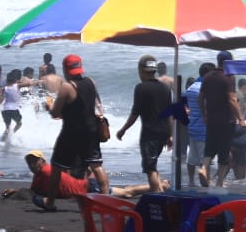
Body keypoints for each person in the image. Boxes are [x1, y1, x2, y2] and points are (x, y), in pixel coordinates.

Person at [43, 54, 110, 211]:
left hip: (71, 134)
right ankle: (106, 200)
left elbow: (55, 114)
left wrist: (49, 107)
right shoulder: (91, 82)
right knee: (96, 165)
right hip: (91, 131)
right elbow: (92, 106)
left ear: (66, 70)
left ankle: (50, 202)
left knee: (57, 167)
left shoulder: (67, 87)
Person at [1, 151, 159, 205]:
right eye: (29, 162)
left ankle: (159, 186)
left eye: (35, 161)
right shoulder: (38, 175)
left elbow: (40, 193)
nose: (32, 164)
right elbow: (34, 190)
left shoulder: (47, 172)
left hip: (88, 188)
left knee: (127, 194)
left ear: (43, 161)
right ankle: (157, 186)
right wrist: (16, 190)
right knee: (126, 192)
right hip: (85, 187)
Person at [117, 55, 173, 193]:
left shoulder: (141, 88)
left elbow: (135, 113)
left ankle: (158, 197)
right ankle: (160, 190)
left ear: (141, 70)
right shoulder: (165, 88)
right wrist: (171, 135)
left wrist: (123, 130)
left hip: (150, 134)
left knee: (150, 169)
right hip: (164, 133)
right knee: (153, 165)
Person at [201, 51, 241, 188]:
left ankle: (203, 168)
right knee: (224, 151)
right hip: (226, 121)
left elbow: (200, 98)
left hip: (211, 119)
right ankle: (219, 183)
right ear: (228, 62)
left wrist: (204, 114)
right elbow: (232, 100)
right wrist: (241, 118)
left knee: (210, 148)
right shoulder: (229, 77)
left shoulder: (207, 77)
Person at [183, 64, 211, 187]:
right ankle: (204, 183)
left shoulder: (190, 88)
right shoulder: (204, 89)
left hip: (192, 127)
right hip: (203, 128)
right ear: (207, 75)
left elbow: (181, 102)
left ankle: (191, 181)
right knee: (204, 159)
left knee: (191, 157)